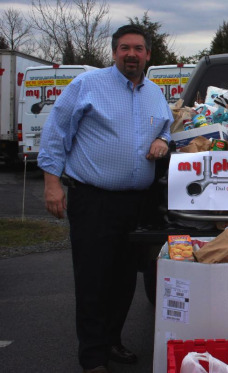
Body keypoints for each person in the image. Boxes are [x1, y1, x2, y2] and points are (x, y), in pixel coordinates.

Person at [38, 24, 173, 373]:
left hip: (137, 204)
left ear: (148, 55)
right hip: (93, 200)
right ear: (114, 53)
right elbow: (56, 133)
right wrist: (52, 184)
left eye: (139, 49)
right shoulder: (87, 85)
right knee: (94, 278)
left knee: (125, 278)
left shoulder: (155, 94)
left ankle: (112, 340)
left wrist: (164, 139)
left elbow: (167, 125)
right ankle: (93, 356)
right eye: (125, 48)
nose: (132, 54)